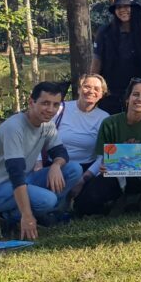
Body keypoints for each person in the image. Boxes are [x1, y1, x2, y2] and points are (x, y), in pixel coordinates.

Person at [0, 82, 83, 239]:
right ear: (31, 102)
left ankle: (46, 212)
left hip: (26, 178)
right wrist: (27, 216)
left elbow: (60, 152)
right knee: (48, 199)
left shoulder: (47, 124)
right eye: (45, 103)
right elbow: (16, 175)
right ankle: (7, 217)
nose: (50, 109)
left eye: (55, 105)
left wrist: (56, 165)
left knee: (74, 169)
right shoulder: (14, 127)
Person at [74, 79, 141, 215]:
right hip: (117, 176)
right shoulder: (109, 123)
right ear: (127, 98)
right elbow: (104, 159)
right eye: (135, 94)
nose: (140, 99)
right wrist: (104, 167)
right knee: (84, 204)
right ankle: (119, 199)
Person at [34, 74, 110, 202]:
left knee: (89, 203)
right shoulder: (60, 108)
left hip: (86, 169)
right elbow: (37, 136)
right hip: (55, 166)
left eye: (97, 89)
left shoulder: (105, 118)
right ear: (79, 89)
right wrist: (38, 165)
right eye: (87, 87)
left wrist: (83, 179)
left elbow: (103, 156)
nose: (91, 91)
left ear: (102, 94)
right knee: (47, 199)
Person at [90, 0, 141, 114]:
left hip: (136, 94)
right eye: (119, 7)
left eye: (127, 6)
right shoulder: (105, 32)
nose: (123, 10)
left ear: (135, 9)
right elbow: (96, 61)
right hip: (109, 93)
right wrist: (94, 89)